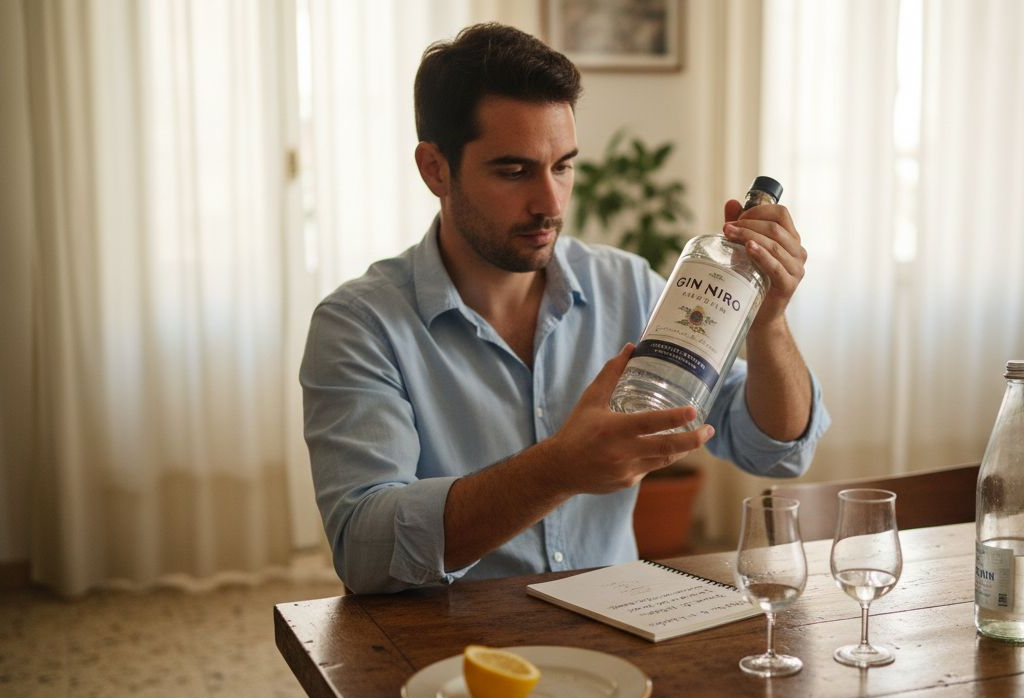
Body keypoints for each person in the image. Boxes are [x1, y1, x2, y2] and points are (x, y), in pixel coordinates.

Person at [300, 23, 829, 594]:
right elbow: (365, 549)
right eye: (514, 171)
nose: (550, 203)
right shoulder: (360, 325)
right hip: (455, 639)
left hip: (619, 622)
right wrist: (556, 471)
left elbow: (772, 449)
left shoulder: (625, 285)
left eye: (563, 166)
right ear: (435, 169)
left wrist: (769, 321)